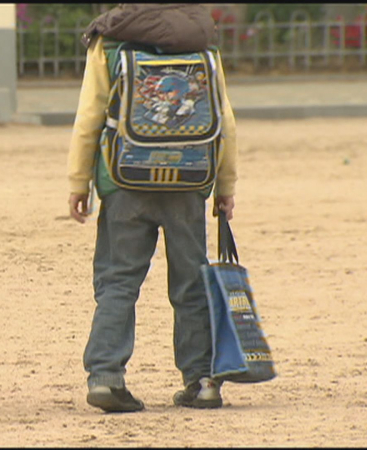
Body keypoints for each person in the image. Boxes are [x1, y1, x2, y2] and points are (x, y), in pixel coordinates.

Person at [67, 4, 239, 412]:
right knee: (191, 280)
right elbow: (224, 119)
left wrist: (79, 182)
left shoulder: (109, 40)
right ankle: (202, 381)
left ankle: (106, 377)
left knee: (118, 280)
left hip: (123, 179)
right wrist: (225, 185)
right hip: (189, 179)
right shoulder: (202, 40)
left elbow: (89, 116)